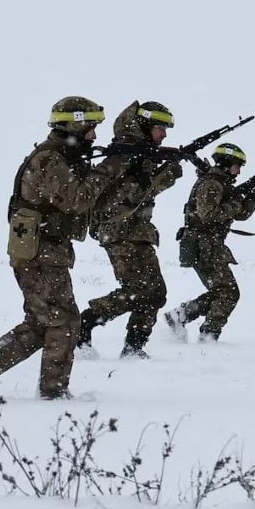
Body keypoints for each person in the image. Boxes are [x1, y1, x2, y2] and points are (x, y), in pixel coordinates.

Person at [0, 97, 125, 400]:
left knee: (43, 322)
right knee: (64, 321)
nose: (95, 137)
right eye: (91, 129)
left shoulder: (60, 158)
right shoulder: (50, 160)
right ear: (75, 125)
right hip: (40, 252)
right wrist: (110, 168)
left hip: (40, 251)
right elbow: (77, 200)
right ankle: (53, 392)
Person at [77, 101, 183, 359]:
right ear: (145, 125)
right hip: (119, 232)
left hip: (138, 232)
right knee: (137, 291)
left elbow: (142, 192)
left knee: (156, 293)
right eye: (160, 128)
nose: (164, 134)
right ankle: (85, 322)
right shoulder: (124, 156)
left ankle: (134, 348)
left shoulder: (141, 155)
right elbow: (129, 197)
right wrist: (167, 176)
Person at [162, 143, 255, 342]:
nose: (239, 170)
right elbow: (209, 215)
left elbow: (239, 215)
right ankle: (208, 334)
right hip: (203, 245)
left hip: (210, 245)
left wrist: (251, 200)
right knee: (228, 292)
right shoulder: (211, 184)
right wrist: (236, 202)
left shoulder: (221, 185)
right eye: (237, 165)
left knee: (222, 291)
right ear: (226, 163)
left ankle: (180, 316)